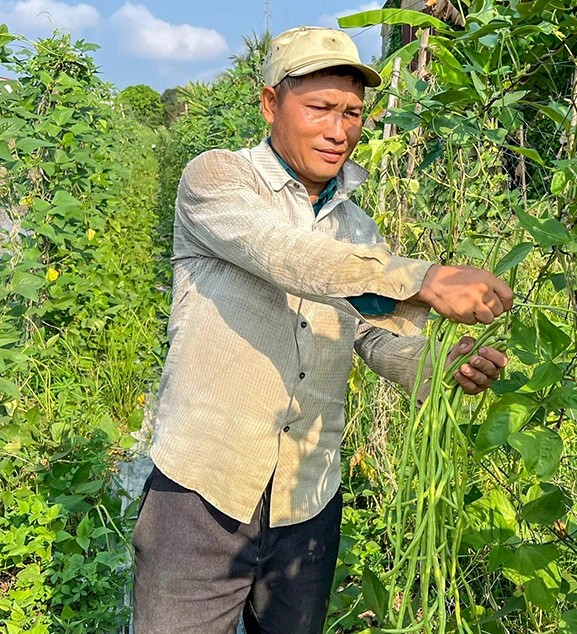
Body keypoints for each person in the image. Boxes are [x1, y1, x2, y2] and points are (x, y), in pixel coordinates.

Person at [131, 26, 513, 634]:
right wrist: (424, 279)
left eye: (353, 113)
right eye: (319, 109)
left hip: (306, 498)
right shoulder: (217, 180)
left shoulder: (357, 227)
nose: (339, 131)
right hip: (203, 490)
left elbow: (368, 334)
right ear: (269, 103)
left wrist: (441, 366)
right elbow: (285, 254)